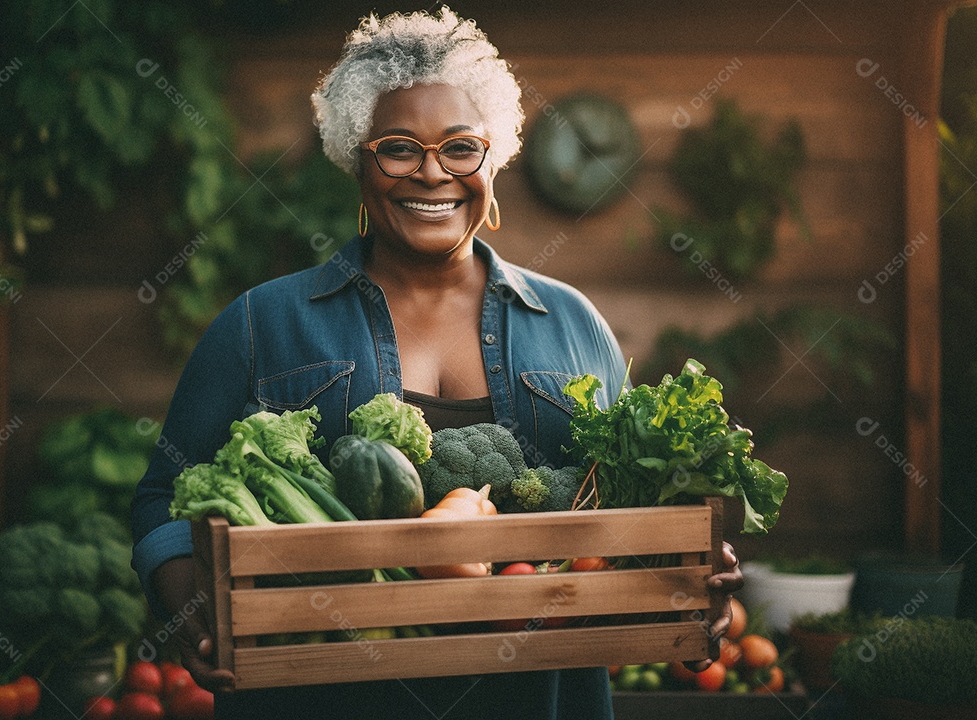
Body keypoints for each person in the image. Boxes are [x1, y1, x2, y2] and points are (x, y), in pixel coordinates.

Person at [131, 8, 742, 719]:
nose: (432, 173)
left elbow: (637, 507)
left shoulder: (574, 323)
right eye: (398, 148)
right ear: (355, 160)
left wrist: (691, 578)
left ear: (494, 158)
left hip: (540, 698)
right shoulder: (261, 322)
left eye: (460, 148)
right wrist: (189, 610)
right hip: (315, 698)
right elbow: (163, 497)